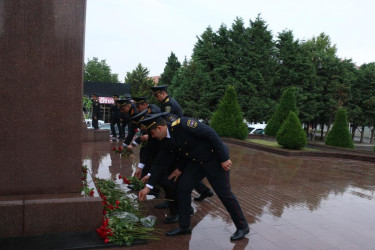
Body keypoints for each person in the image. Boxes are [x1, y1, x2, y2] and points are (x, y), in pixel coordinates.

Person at [138, 113, 249, 241]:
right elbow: (161, 161)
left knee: (224, 194)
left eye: (152, 133)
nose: (152, 137)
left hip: (214, 160)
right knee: (183, 188)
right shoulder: (165, 140)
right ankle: (184, 226)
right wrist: (148, 186)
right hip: (195, 162)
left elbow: (211, 134)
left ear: (160, 128)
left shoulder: (183, 125)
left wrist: (224, 158)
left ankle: (242, 226)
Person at [151, 85, 214, 202]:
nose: (156, 98)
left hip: (178, 137)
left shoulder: (168, 104)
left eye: (157, 95)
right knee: (180, 171)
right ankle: (204, 191)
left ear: (163, 93)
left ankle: (184, 202)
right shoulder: (166, 103)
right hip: (175, 137)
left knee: (179, 171)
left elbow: (166, 120)